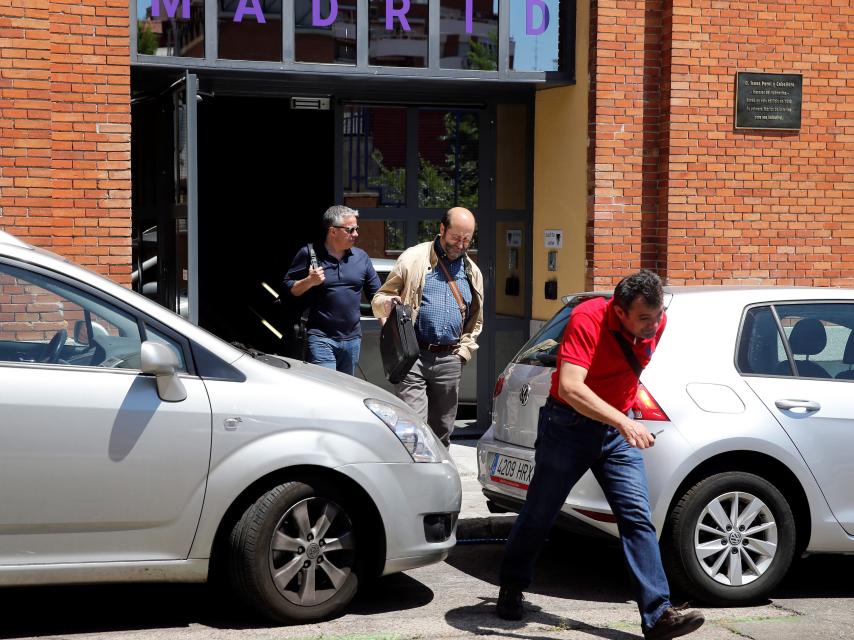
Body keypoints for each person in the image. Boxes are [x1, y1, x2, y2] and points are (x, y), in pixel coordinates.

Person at [496, 270, 705, 640]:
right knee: (540, 512)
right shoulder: (587, 318)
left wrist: (624, 418)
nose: (654, 325)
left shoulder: (657, 320)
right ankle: (512, 585)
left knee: (637, 518)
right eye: (644, 318)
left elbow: (626, 372)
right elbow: (571, 387)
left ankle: (657, 616)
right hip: (568, 427)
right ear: (619, 311)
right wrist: (624, 423)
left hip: (615, 431)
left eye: (657, 316)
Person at [371, 207, 483, 446]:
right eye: (456, 237)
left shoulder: (472, 272)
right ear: (442, 229)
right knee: (414, 427)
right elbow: (378, 299)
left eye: (467, 239)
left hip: (450, 359)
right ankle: (413, 478)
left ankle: (437, 478)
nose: (461, 245)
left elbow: (476, 320)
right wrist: (389, 303)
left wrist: (462, 354)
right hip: (414, 356)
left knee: (442, 430)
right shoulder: (413, 258)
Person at [284, 205, 381, 375]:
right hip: (320, 338)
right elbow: (288, 289)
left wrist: (389, 305)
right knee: (327, 389)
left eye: (356, 229)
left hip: (352, 340)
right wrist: (309, 281)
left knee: (346, 392)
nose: (356, 234)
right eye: (350, 230)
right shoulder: (309, 254)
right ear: (333, 231)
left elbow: (377, 294)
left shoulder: (361, 257)